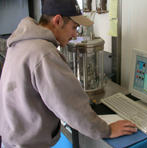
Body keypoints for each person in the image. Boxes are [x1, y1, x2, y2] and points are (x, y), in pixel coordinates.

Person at [0, 0, 137, 148]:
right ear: (58, 21)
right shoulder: (44, 52)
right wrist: (108, 130)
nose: (75, 34)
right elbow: (72, 108)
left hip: (11, 138)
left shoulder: (21, 42)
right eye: (74, 27)